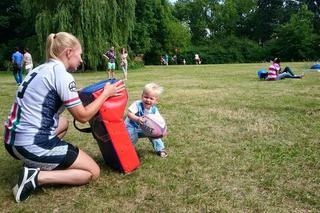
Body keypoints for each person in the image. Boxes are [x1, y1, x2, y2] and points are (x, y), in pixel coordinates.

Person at [3, 32, 125, 203]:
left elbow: (67, 94)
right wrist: (106, 94)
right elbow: (83, 116)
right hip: (30, 144)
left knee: (63, 123)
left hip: (12, 141)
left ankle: (34, 162)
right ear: (68, 52)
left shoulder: (41, 69)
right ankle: (35, 177)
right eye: (79, 54)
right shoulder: (61, 74)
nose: (81, 60)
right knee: (92, 172)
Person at [125, 83, 168, 158]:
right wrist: (137, 119)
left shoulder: (154, 110)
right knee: (132, 138)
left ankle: (160, 149)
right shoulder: (137, 104)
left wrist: (163, 130)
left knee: (155, 134)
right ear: (142, 96)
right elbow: (129, 114)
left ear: (156, 101)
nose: (148, 100)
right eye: (146, 97)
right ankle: (126, 150)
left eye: (151, 98)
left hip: (144, 128)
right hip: (131, 126)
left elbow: (159, 121)